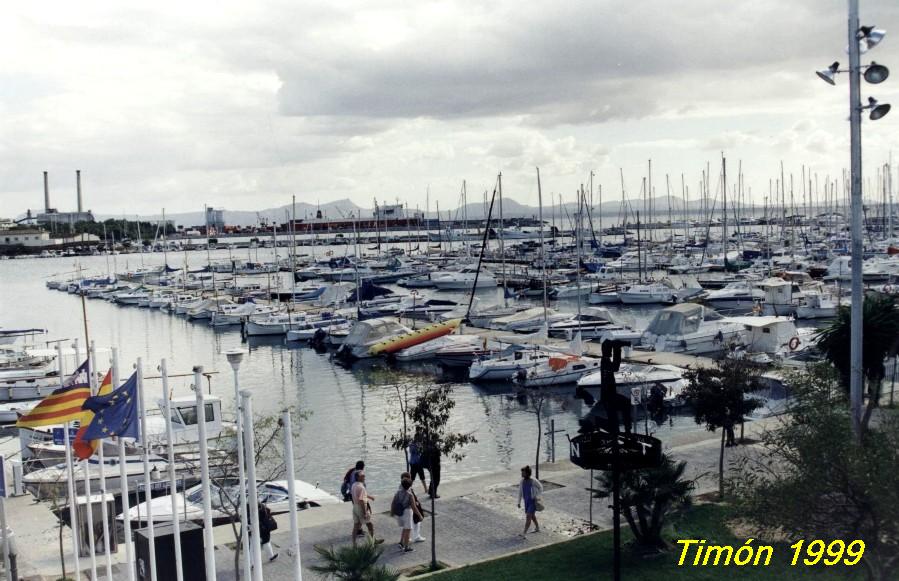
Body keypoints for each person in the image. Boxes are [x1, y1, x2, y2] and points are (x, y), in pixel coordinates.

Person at [351, 470, 383, 546]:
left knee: (356, 526)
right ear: (358, 477)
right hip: (361, 507)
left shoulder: (354, 485)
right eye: (362, 476)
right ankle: (373, 541)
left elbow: (359, 495)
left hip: (355, 507)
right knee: (370, 524)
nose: (364, 477)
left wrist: (369, 497)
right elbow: (362, 500)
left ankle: (354, 544)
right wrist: (365, 512)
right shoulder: (361, 487)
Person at [391, 477, 422, 552]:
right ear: (410, 486)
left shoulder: (398, 492)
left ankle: (401, 542)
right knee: (408, 529)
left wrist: (392, 511)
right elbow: (414, 507)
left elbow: (393, 502)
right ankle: (406, 547)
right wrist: (419, 515)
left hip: (399, 512)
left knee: (405, 528)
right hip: (407, 512)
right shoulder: (410, 495)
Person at [517, 465, 543, 537]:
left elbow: (541, 487)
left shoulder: (533, 481)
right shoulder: (522, 481)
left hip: (533, 501)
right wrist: (518, 502)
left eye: (523, 473)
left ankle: (524, 533)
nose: (522, 474)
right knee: (532, 516)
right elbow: (520, 492)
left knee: (528, 516)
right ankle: (537, 528)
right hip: (526, 502)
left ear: (527, 473)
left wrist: (537, 496)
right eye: (522, 473)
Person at [401, 471, 426, 543]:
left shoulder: (402, 487)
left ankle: (406, 538)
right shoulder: (408, 489)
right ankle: (416, 537)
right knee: (415, 522)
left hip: (405, 510)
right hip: (410, 509)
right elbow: (412, 504)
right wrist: (419, 514)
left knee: (408, 525)